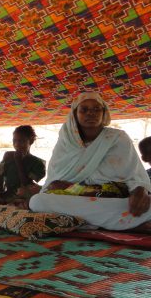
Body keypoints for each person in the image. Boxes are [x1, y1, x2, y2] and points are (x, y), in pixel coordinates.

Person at [30, 92, 151, 230]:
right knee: (37, 202)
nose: (91, 113)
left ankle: (84, 222)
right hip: (77, 199)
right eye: (84, 109)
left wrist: (141, 190)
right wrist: (72, 188)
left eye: (96, 109)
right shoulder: (65, 142)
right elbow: (52, 182)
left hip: (114, 199)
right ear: (75, 114)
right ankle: (122, 223)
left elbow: (136, 176)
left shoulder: (118, 138)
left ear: (104, 113)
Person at [0, 125, 46, 204]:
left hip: (25, 196)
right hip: (7, 195)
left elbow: (26, 183)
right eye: (14, 141)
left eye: (21, 141)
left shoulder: (38, 163)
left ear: (31, 141)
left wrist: (18, 161)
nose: (17, 144)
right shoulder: (8, 157)